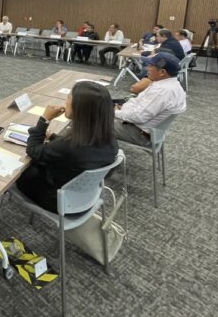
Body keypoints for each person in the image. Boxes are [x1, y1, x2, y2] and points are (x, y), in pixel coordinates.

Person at [15, 81, 119, 213]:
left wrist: (44, 119)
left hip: (58, 201)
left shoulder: (67, 146)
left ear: (80, 107)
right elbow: (75, 148)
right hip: (86, 198)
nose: (66, 101)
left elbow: (33, 150)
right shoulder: (109, 138)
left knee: (24, 169)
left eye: (69, 97)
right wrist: (53, 136)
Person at [114, 53, 186, 146]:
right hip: (142, 128)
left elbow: (138, 117)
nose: (147, 68)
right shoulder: (173, 86)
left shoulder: (161, 91)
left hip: (137, 133)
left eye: (151, 66)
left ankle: (103, 156)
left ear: (162, 72)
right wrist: (123, 109)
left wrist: (115, 112)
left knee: (92, 121)